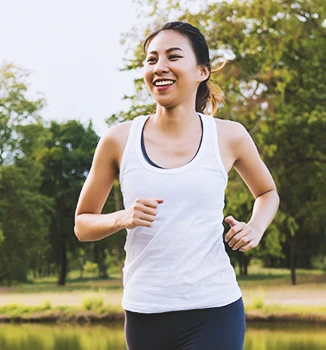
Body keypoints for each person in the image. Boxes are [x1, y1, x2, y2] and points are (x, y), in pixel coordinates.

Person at [74, 21, 279, 350]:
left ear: (202, 71)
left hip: (215, 309)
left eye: (173, 56)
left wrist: (256, 227)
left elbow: (267, 193)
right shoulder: (117, 140)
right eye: (151, 59)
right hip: (145, 312)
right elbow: (83, 224)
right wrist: (122, 218)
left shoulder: (229, 136)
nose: (160, 68)